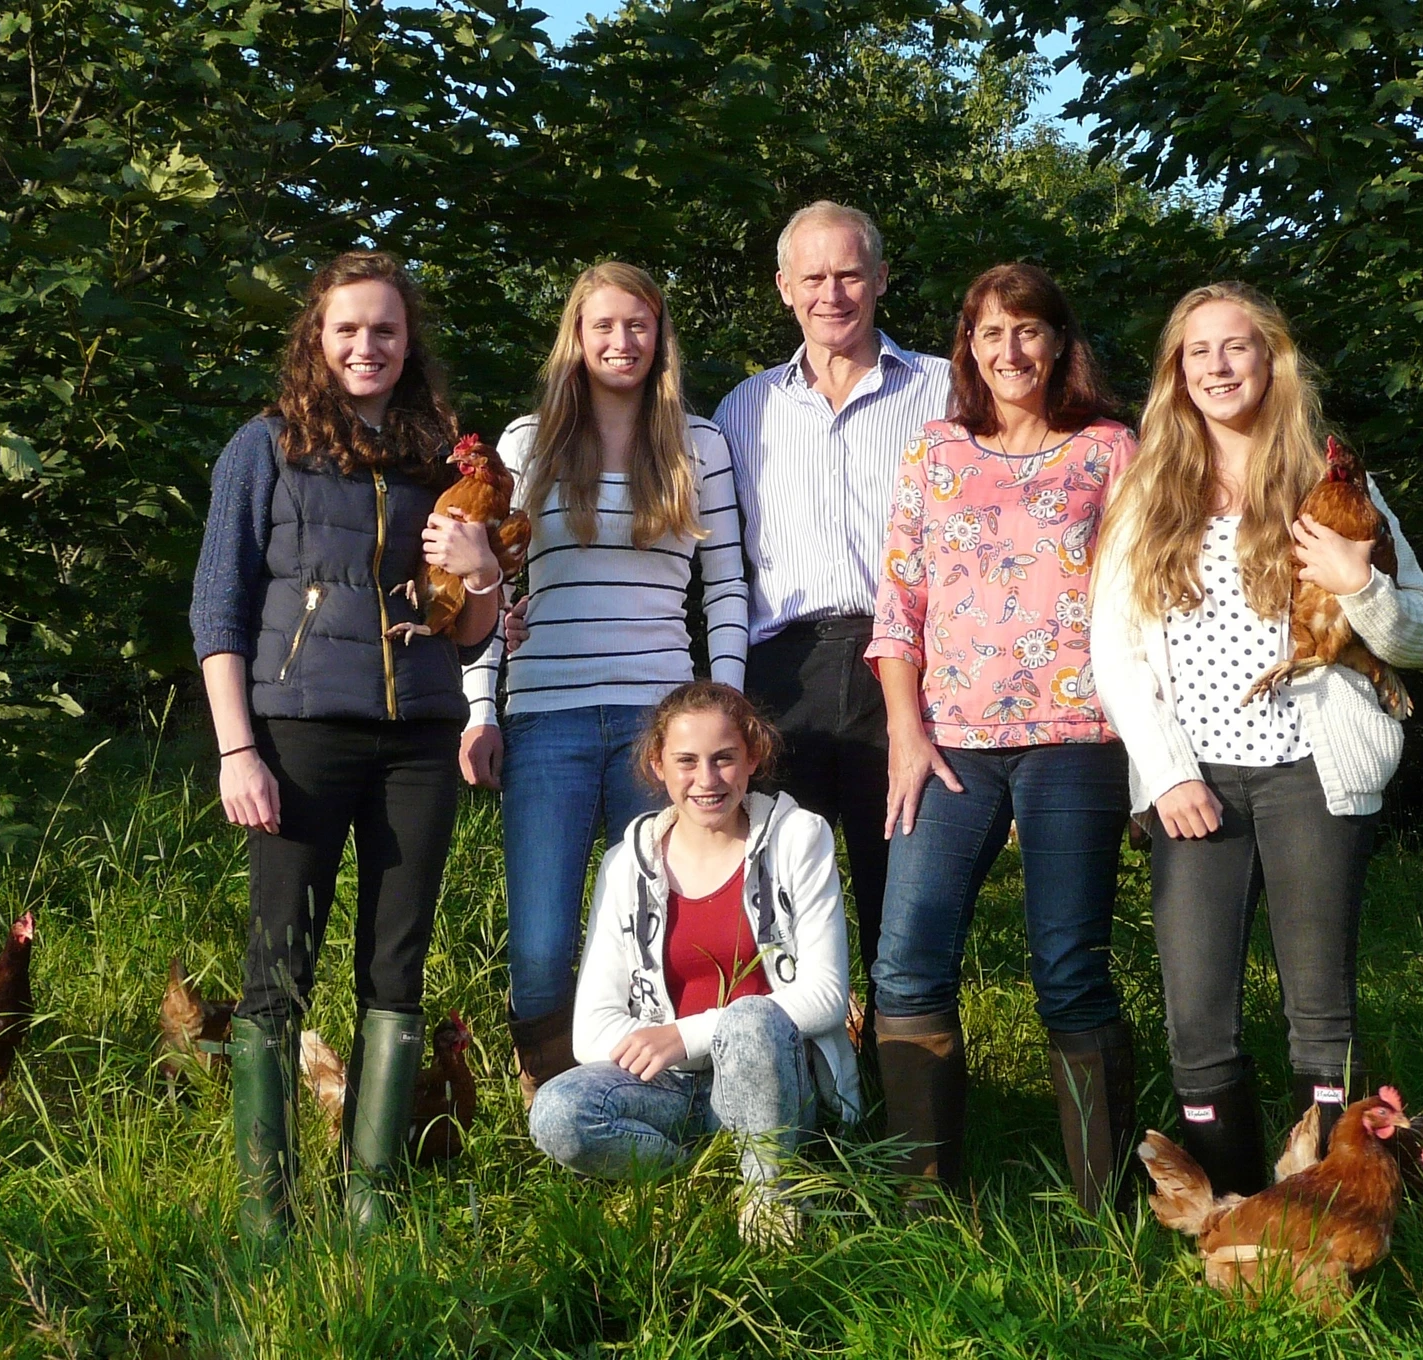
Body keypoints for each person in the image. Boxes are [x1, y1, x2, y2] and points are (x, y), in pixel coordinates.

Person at [1089, 281, 1423, 1197]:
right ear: (1177, 372)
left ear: (1271, 360)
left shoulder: (1330, 485)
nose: (1217, 366)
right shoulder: (1146, 495)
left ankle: (1327, 1206)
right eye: (1197, 351)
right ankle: (1233, 1211)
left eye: (1236, 346)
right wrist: (1166, 776)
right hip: (1195, 783)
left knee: (1321, 1018)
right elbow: (1116, 654)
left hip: (1314, 778)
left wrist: (1358, 583)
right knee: (1198, 1021)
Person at [189, 250, 502, 1242]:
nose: (366, 346)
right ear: (316, 340)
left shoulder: (435, 463)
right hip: (296, 731)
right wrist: (238, 750)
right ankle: (266, 1208)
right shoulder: (264, 447)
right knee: (279, 961)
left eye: (385, 330)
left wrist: (483, 569)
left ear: (408, 345)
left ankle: (372, 1198)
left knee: (396, 964)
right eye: (347, 329)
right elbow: (217, 607)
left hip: (417, 736)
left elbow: (467, 630)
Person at [863, 262, 1139, 1211]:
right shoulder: (935, 452)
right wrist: (905, 733)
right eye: (989, 333)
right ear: (967, 348)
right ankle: (924, 1198)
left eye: (1027, 331)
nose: (1009, 350)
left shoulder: (1110, 450)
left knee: (1067, 966)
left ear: (1060, 342)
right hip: (948, 743)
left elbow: (1145, 603)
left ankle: (1104, 1209)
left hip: (1078, 735)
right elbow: (896, 604)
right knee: (906, 957)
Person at [458, 263, 749, 1104]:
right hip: (544, 717)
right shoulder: (526, 446)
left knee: (657, 925)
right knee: (543, 943)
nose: (622, 342)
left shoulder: (701, 446)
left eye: (639, 326)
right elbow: (491, 589)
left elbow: (727, 587)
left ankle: (662, 1104)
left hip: (659, 727)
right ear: (576, 338)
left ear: (660, 337)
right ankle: (552, 1102)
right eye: (604, 327)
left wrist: (721, 709)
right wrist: (481, 711)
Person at [712, 201, 953, 1025]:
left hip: (913, 668)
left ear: (881, 279)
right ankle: (801, 1091)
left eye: (849, 273)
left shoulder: (945, 389)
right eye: (812, 276)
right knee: (784, 892)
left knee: (905, 891)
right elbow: (716, 562)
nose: (832, 293)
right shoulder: (744, 410)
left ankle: (908, 1105)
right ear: (784, 288)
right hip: (786, 671)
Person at [528, 681, 861, 1247]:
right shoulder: (625, 862)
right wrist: (675, 1052)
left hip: (775, 1071)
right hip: (675, 1090)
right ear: (658, 765)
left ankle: (769, 1208)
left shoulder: (799, 837)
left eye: (724, 758)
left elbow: (827, 995)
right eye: (686, 761)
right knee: (557, 1111)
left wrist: (684, 1034)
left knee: (751, 1018)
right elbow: (591, 1031)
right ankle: (699, 1176)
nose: (706, 780)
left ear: (753, 758)